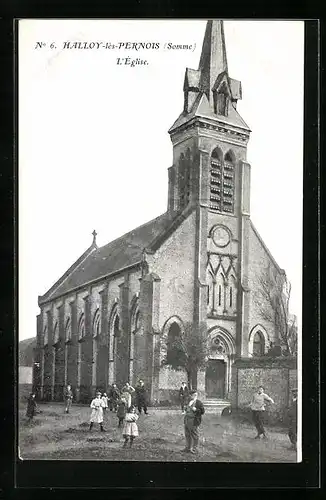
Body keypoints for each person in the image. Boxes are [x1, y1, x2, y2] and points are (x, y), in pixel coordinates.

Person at [182, 389, 205, 454]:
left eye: (196, 395)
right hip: (187, 419)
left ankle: (194, 449)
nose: (195, 396)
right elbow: (186, 408)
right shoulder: (188, 401)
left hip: (194, 420)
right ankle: (187, 448)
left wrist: (196, 410)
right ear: (190, 396)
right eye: (194, 395)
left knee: (194, 435)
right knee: (187, 434)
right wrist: (185, 409)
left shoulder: (198, 403)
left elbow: (202, 412)